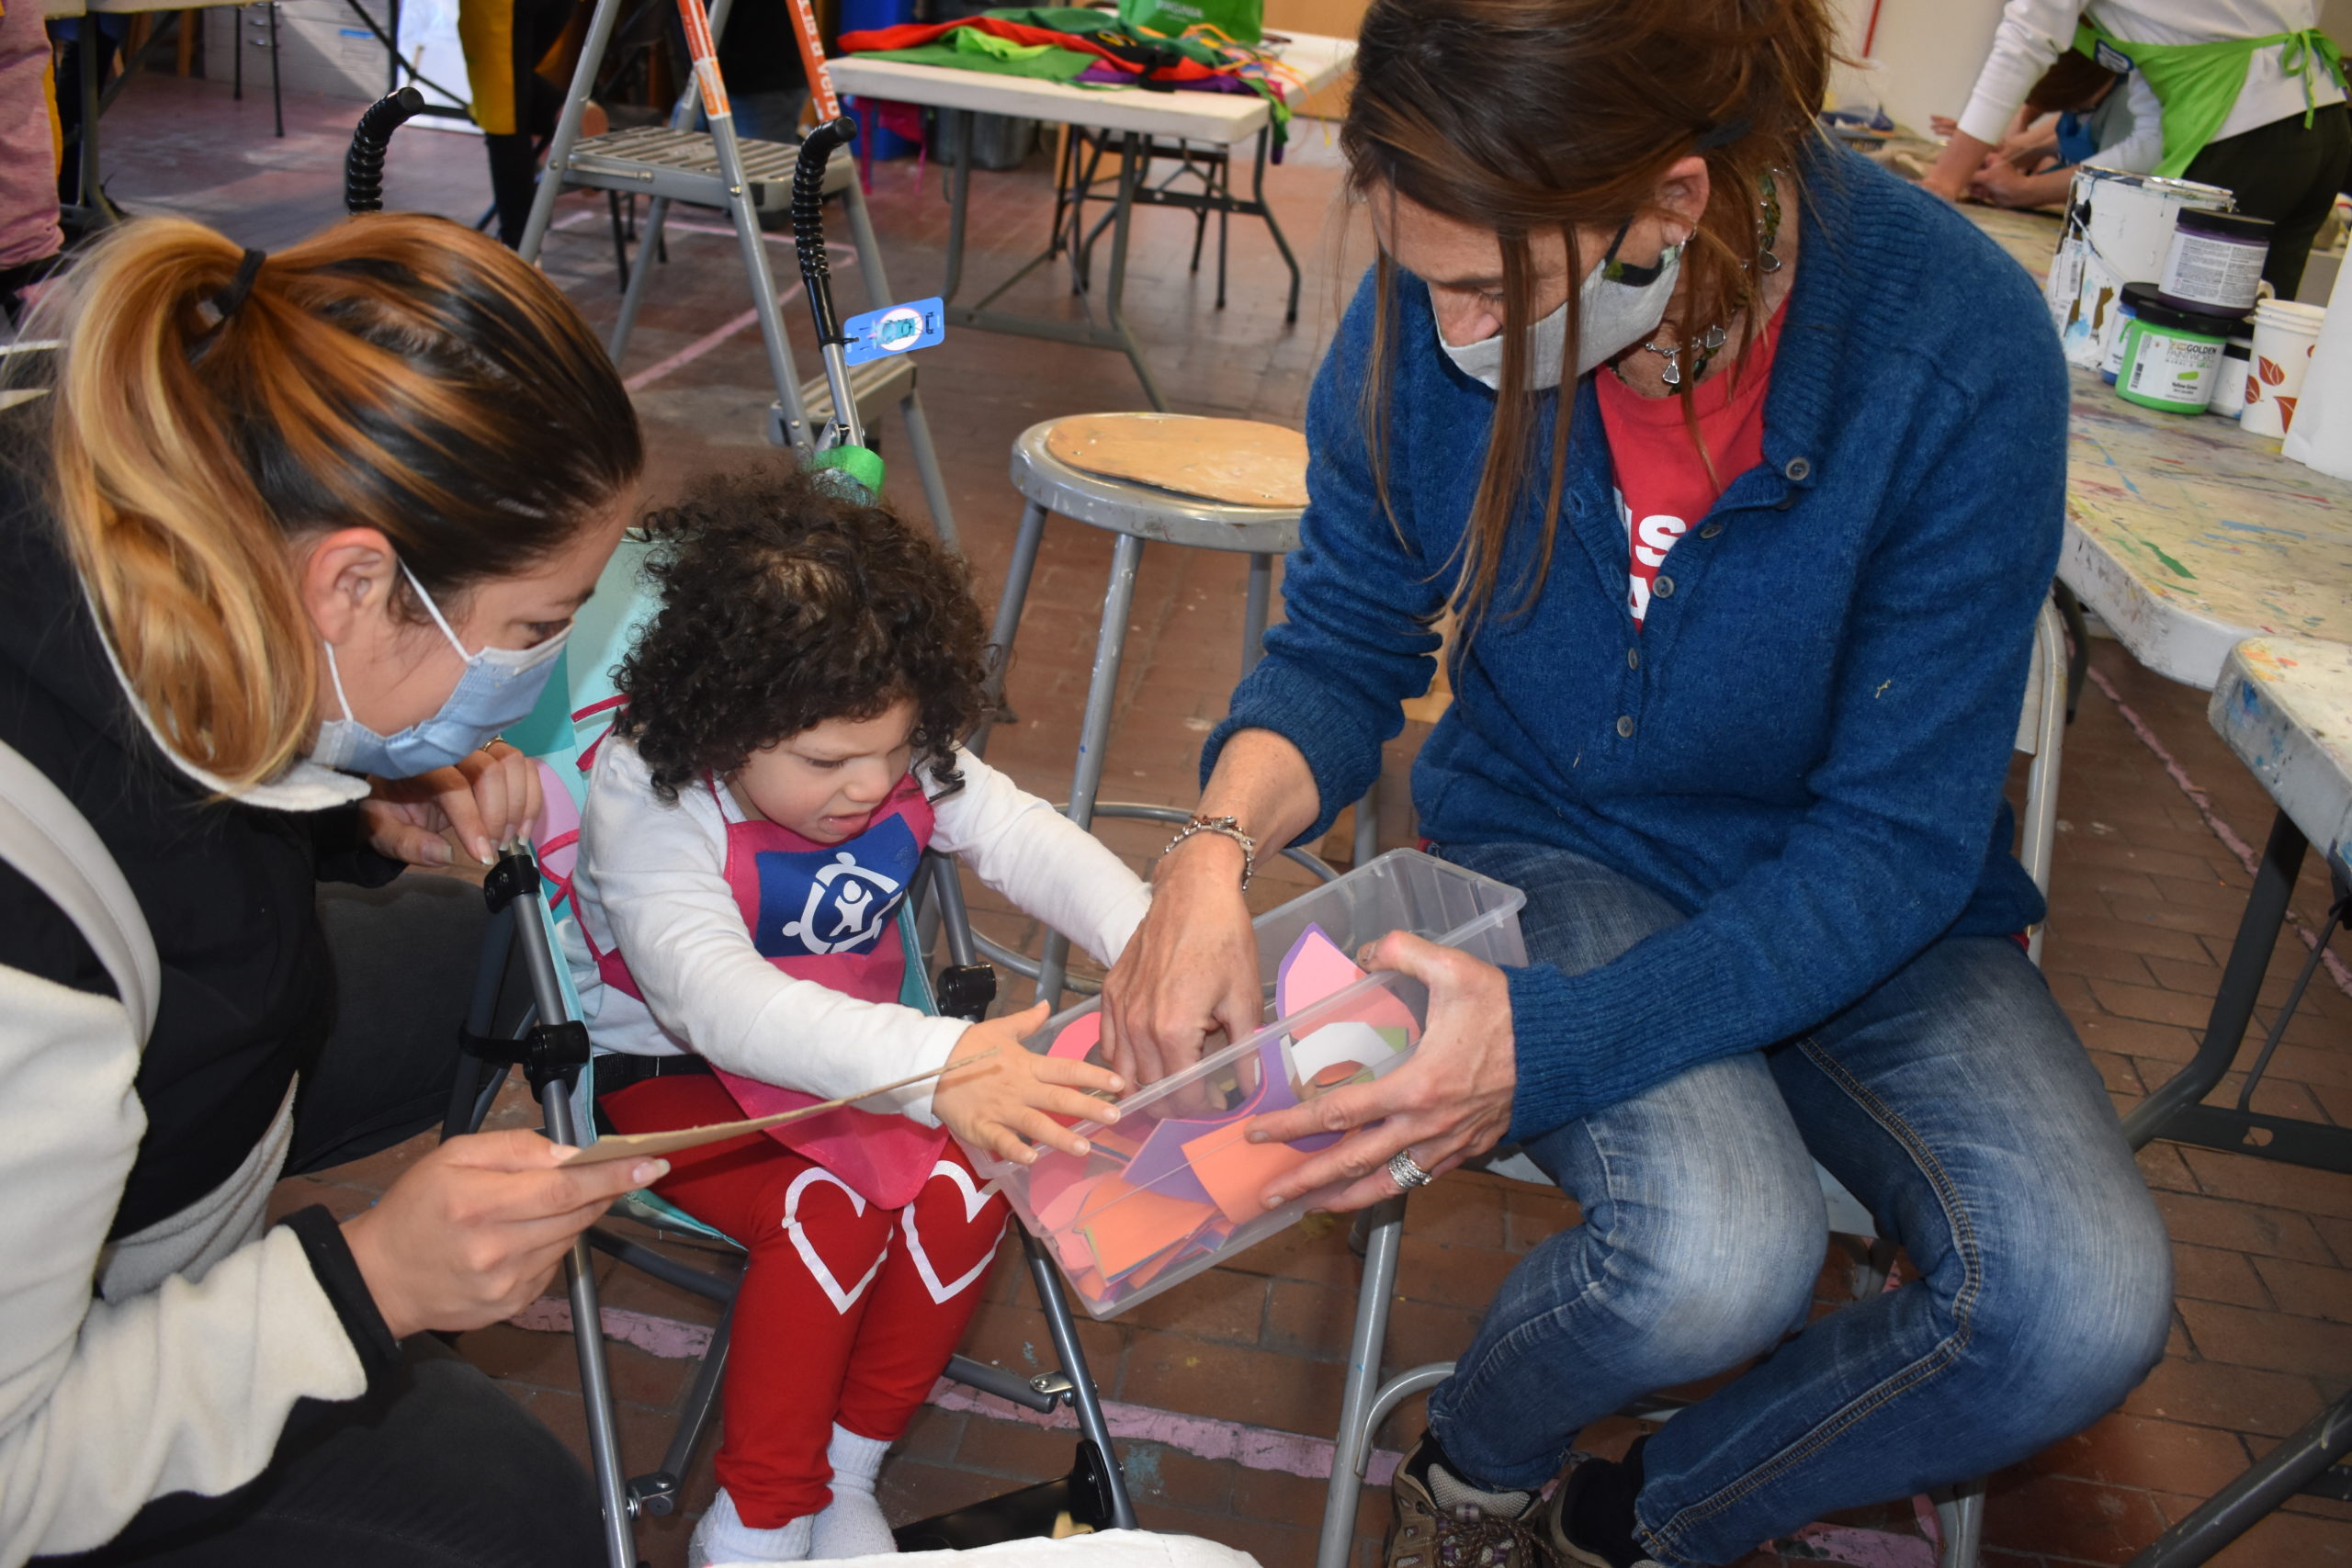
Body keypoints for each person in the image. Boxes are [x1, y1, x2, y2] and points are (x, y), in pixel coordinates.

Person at [1100, 2, 2176, 1566]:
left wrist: (1557, 1044)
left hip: (1877, 903)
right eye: (1424, 280)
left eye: (1485, 289)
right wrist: (1206, 856)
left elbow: (1892, 844)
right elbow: (1343, 640)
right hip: (1567, 842)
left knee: (2077, 1308)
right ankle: (1479, 1463)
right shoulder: (1445, 298)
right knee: (1710, 1258)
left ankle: (1649, 1512)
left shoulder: (1951, 344)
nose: (1452, 329)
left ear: (1675, 201)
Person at [0, 211, 659, 1566]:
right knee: (513, 1522)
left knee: (456, 962)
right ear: (352, 581)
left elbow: (167, 771)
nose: (538, 673)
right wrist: (368, 1283)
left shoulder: (109, 491)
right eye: (535, 630)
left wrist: (342, 797)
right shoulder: (30, 943)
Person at [565, 464, 1144, 1567]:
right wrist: (944, 1060)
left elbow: (1026, 840)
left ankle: (845, 1473)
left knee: (980, 1176)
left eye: (897, 750)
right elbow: (714, 1002)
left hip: (867, 1066)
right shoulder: (655, 787)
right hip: (674, 1080)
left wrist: (1150, 943)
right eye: (828, 763)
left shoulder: (882, 743)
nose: (874, 786)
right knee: (830, 1208)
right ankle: (762, 1514)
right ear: (725, 725)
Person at [1921, 0, 2350, 296]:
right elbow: (2150, 139)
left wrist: (1943, 182)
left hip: (2248, 134)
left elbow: (2022, 42)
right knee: (2253, 351)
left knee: (2184, 337)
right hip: (2323, 119)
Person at [1932, 51, 2165, 209]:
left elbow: (2118, 180)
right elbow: (2051, 141)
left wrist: (2023, 189)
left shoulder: (2124, 103)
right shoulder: (2081, 107)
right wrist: (1996, 151)